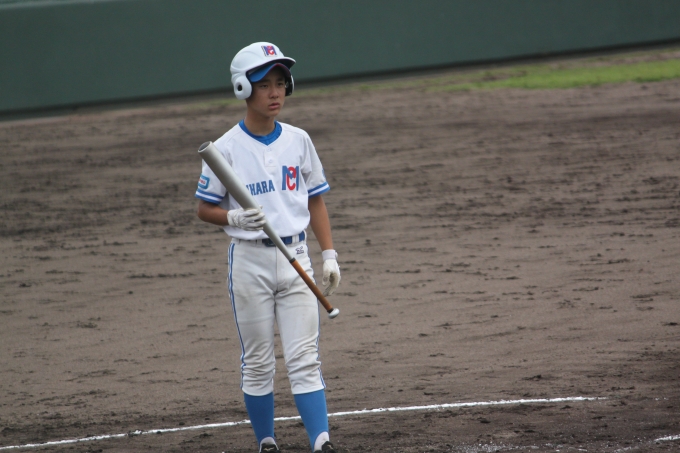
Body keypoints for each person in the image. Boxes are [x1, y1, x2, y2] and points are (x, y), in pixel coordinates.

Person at [194, 42, 341, 453]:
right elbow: (204, 208)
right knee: (258, 361)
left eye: (280, 83)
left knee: (304, 357)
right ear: (243, 88)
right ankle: (266, 443)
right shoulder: (225, 148)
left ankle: (321, 442)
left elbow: (315, 200)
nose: (275, 93)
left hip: (297, 259)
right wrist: (233, 218)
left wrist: (329, 254)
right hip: (249, 263)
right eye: (264, 85)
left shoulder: (298, 140)